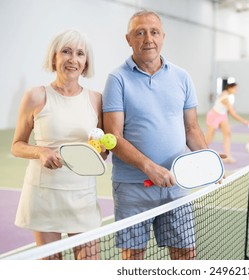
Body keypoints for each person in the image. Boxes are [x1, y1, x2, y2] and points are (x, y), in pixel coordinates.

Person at [102, 10, 211, 260]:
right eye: (139, 33)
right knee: (133, 259)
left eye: (153, 32)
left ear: (163, 36)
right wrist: (149, 168)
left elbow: (191, 128)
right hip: (132, 188)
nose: (147, 38)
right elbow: (114, 135)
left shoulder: (182, 77)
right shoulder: (116, 79)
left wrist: (207, 162)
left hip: (176, 184)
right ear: (128, 39)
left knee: (186, 254)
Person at [11, 29, 105, 260]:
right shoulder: (36, 96)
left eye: (80, 54)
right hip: (44, 195)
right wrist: (40, 151)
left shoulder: (96, 100)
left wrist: (100, 149)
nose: (73, 59)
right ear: (54, 58)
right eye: (66, 52)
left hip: (82, 196)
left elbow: (102, 154)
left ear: (86, 63)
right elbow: (17, 145)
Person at [205, 82, 249, 163]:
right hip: (214, 116)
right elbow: (233, 113)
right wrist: (244, 121)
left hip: (222, 116)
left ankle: (227, 156)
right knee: (209, 139)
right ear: (229, 88)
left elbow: (228, 109)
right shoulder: (225, 97)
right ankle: (200, 154)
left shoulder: (227, 96)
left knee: (228, 134)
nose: (236, 90)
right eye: (235, 89)